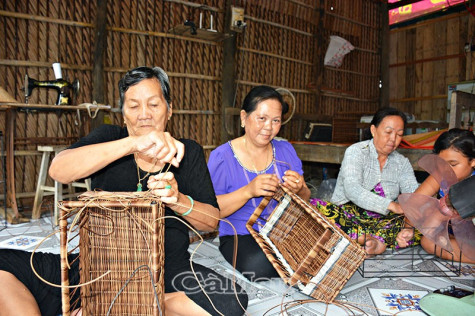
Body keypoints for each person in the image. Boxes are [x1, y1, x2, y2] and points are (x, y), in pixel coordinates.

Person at [0, 66, 248, 316]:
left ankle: (122, 306)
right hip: (97, 271)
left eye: (153, 104)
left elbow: (211, 221)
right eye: (133, 106)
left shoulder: (188, 152)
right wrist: (132, 144)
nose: (144, 115)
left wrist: (178, 200)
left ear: (169, 110)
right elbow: (59, 170)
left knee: (232, 302)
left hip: (166, 272)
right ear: (123, 114)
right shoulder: (109, 138)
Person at [207, 85, 311, 281]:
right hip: (239, 235)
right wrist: (248, 191)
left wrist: (299, 189)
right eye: (261, 118)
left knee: (318, 253)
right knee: (261, 266)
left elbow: (305, 198)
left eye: (276, 121)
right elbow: (212, 211)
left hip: (282, 231)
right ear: (244, 117)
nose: (268, 127)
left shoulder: (285, 150)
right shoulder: (222, 156)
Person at [311, 107, 419, 255]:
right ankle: (371, 239)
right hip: (350, 216)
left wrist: (409, 223)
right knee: (317, 208)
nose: (393, 139)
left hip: (382, 221)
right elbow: (352, 190)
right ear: (373, 130)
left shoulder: (402, 162)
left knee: (423, 226)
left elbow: (413, 194)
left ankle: (366, 240)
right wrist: (391, 205)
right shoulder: (356, 152)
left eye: (399, 134)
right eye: (388, 132)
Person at [396, 128, 475, 263]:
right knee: (427, 242)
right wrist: (408, 228)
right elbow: (415, 202)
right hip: (458, 234)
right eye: (442, 164)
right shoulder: (440, 175)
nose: (446, 169)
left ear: (473, 161)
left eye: (453, 164)